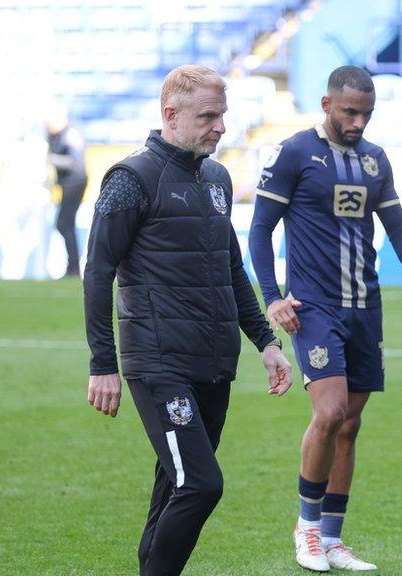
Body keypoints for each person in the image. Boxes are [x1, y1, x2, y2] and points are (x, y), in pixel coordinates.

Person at [82, 64, 294, 576]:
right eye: (208, 116)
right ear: (170, 114)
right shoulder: (130, 178)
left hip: (213, 361)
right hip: (158, 362)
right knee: (201, 484)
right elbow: (97, 273)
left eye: (222, 115)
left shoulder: (218, 179)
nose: (220, 126)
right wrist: (102, 363)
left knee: (176, 485)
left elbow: (231, 270)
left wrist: (265, 342)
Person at [249, 65, 402, 573]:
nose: (359, 122)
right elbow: (260, 230)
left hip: (366, 306)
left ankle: (334, 538)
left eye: (366, 113)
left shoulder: (375, 161)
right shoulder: (295, 153)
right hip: (313, 306)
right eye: (349, 112)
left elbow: (399, 228)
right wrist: (273, 297)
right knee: (330, 412)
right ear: (326, 105)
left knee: (351, 423)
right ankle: (307, 530)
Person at [45, 104, 88, 278]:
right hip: (67, 184)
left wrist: (51, 159)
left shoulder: (71, 136)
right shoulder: (54, 137)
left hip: (75, 183)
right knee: (65, 225)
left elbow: (74, 162)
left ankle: (73, 267)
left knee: (64, 224)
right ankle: (72, 267)